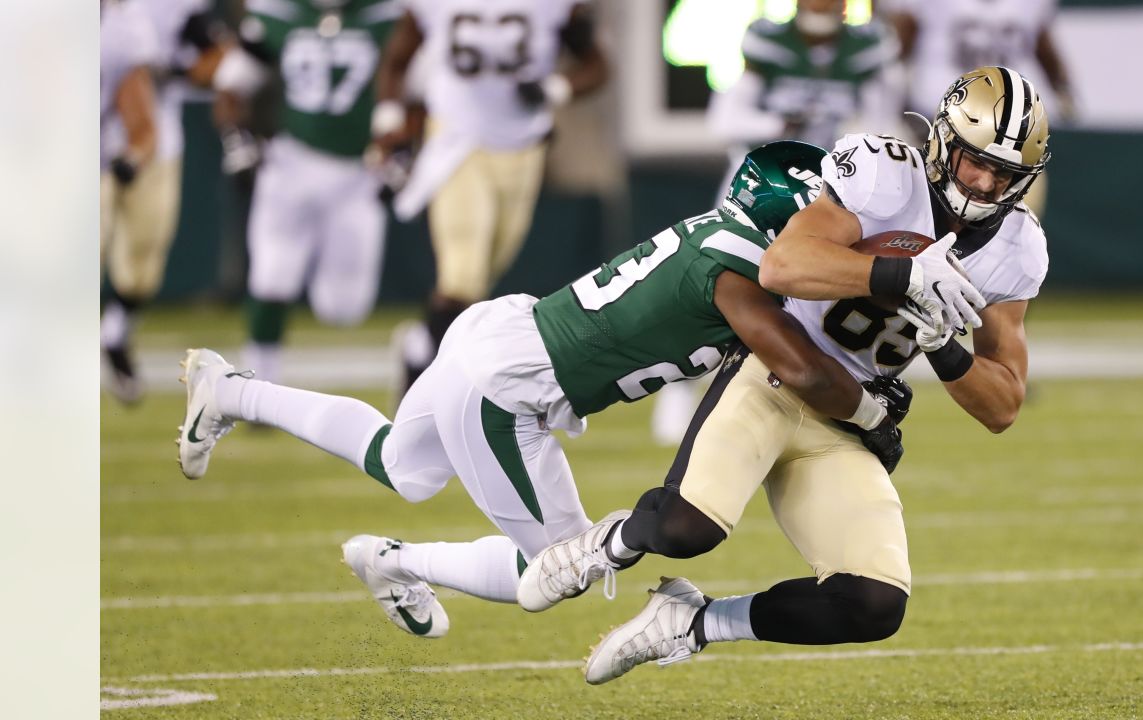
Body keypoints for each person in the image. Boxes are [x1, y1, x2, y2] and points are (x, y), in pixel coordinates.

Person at [174, 141, 981, 640]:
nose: (830, 225)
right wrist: (875, 412)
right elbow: (799, 368)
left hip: (504, 333)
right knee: (551, 576)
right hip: (510, 389)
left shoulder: (720, 238)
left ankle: (232, 391)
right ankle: (394, 560)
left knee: (400, 462)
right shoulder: (739, 274)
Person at [514, 66, 1051, 685]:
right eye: (973, 162)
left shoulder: (1017, 248)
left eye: (1005, 173)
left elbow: (1002, 404)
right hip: (776, 373)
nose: (985, 183)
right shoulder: (883, 173)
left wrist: (945, 350)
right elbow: (782, 265)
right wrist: (901, 277)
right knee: (687, 528)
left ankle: (693, 623)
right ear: (941, 145)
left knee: (873, 602)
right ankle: (602, 547)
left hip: (848, 417)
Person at [652, 0, 903, 445]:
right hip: (759, 191)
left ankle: (815, 399)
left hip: (828, 200)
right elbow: (725, 119)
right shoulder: (768, 39)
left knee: (810, 307)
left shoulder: (869, 47)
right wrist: (781, 123)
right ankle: (677, 391)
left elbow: (884, 126)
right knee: (718, 292)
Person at [368, 0, 610, 410]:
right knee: (462, 275)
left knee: (480, 281)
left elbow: (598, 65)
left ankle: (419, 346)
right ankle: (428, 396)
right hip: (458, 141)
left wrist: (557, 88)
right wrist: (389, 127)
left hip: (524, 149)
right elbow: (396, 59)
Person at [210, 0, 402, 385]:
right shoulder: (279, 12)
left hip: (358, 173)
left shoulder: (388, 16)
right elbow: (231, 84)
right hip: (290, 163)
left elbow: (415, 88)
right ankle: (256, 386)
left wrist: (401, 151)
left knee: (343, 307)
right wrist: (239, 140)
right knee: (272, 274)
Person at [100, 0, 231, 404]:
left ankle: (115, 334)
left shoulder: (140, 23)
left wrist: (178, 73)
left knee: (143, 263)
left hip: (152, 147)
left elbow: (220, 58)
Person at [883, 0, 1075, 215]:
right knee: (921, 209)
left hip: (1008, 126)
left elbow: (1042, 43)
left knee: (1013, 215)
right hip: (940, 123)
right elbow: (900, 44)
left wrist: (1062, 88)